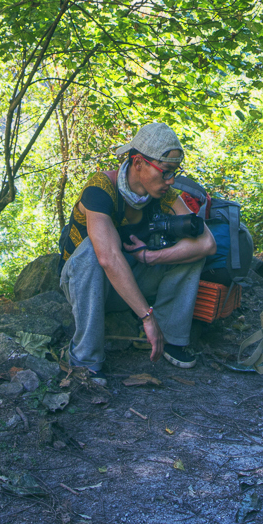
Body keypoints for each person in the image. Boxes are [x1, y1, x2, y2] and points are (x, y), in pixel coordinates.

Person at [58, 123, 215, 371]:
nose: (171, 180)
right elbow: (108, 257)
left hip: (131, 281)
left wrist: (152, 257)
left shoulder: (165, 195)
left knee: (193, 251)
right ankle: (85, 359)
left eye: (174, 172)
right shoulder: (100, 188)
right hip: (87, 287)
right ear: (139, 163)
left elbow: (207, 243)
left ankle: (171, 338)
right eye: (165, 172)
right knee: (91, 249)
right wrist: (147, 317)